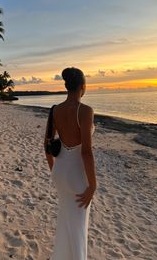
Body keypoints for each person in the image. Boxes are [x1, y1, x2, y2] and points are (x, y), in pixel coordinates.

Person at [44, 67, 97, 260]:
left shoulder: (56, 110)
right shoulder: (85, 111)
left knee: (67, 220)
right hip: (76, 174)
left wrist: (55, 170)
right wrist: (93, 185)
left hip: (60, 170)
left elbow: (46, 146)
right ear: (82, 86)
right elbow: (86, 152)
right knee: (78, 226)